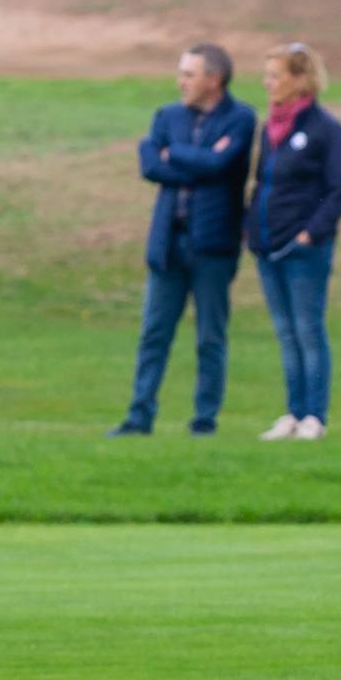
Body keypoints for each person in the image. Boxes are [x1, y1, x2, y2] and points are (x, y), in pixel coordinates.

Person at [110, 43, 252, 438]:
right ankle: (139, 417)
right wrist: (198, 161)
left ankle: (204, 421)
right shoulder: (167, 116)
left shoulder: (240, 119)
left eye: (190, 74)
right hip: (168, 244)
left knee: (210, 336)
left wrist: (177, 155)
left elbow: (223, 165)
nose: (181, 81)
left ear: (214, 80)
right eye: (181, 73)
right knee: (154, 334)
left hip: (213, 246)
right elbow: (151, 165)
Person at [247, 42, 341, 441]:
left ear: (300, 80)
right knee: (285, 332)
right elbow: (263, 183)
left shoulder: (326, 130)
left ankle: (314, 417)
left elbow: (339, 189)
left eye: (275, 76)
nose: (267, 83)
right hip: (268, 245)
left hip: (304, 249)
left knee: (308, 329)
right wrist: (251, 226)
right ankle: (292, 413)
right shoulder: (270, 129)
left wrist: (312, 232)